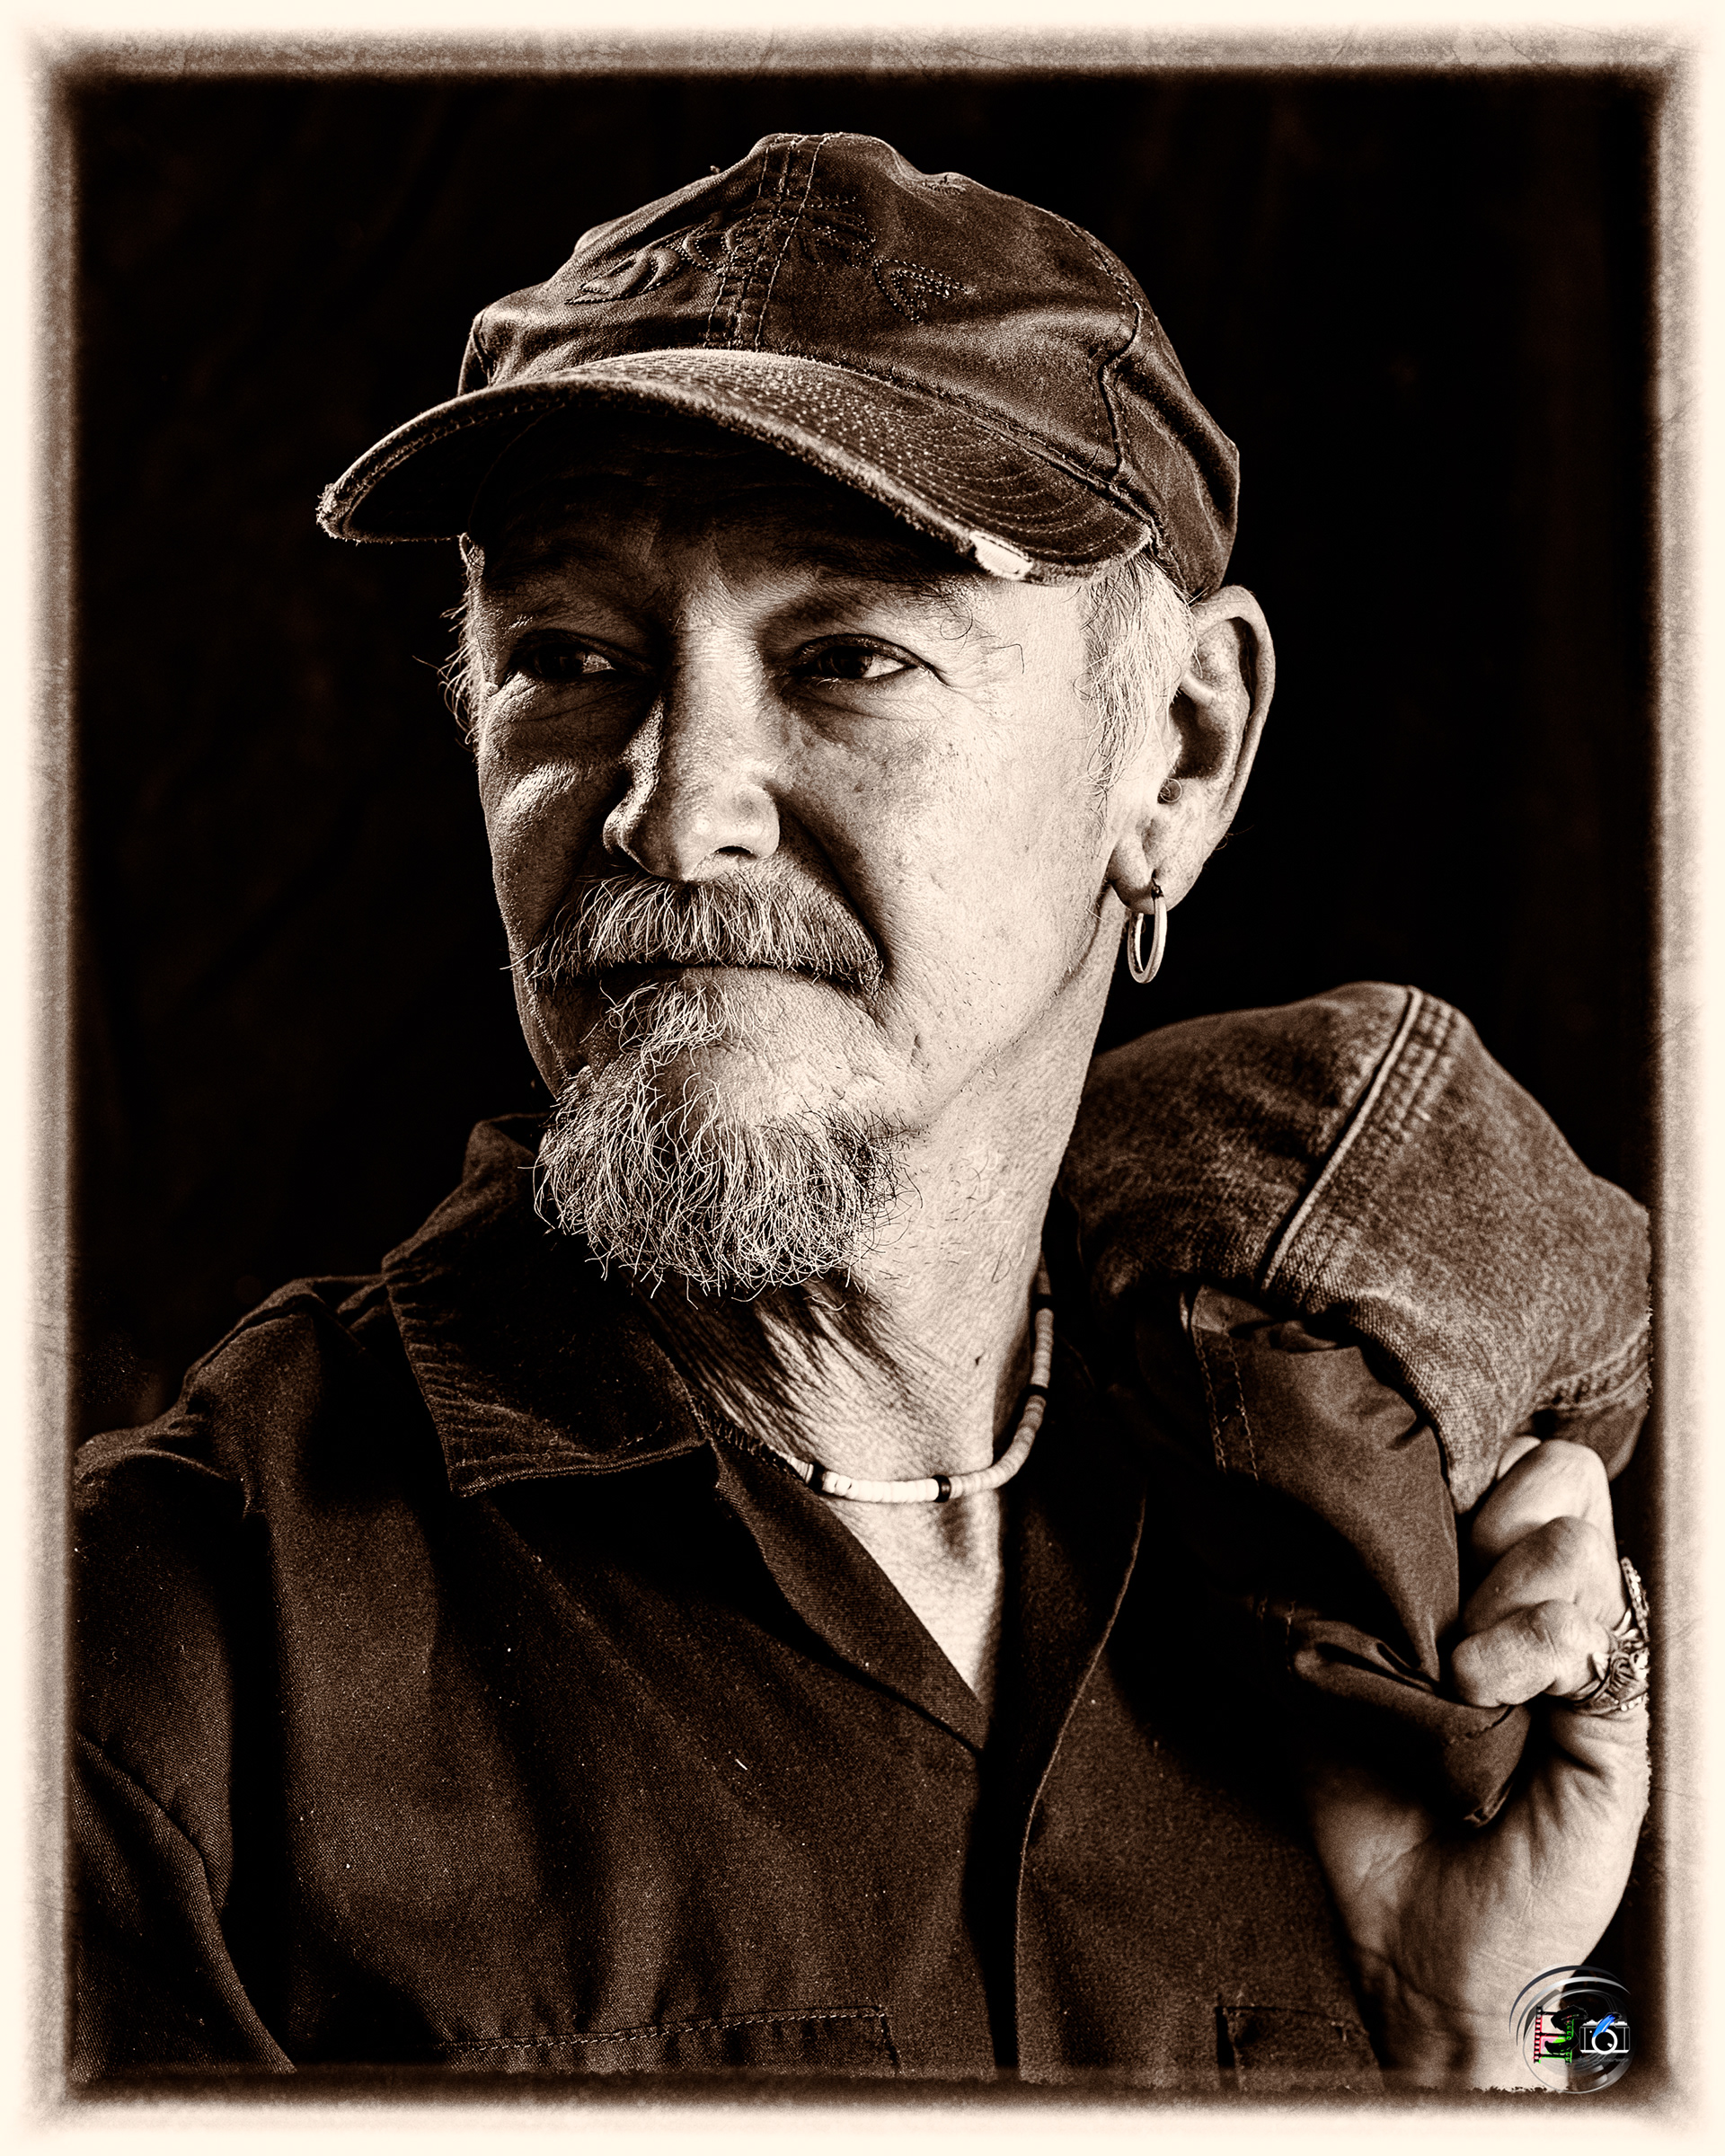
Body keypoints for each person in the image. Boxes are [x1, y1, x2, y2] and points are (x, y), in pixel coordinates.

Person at [72, 131, 1650, 2091]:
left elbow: (1608, 2061)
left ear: (1179, 755)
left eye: (848, 658)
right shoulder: (165, 1670)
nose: (673, 813)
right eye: (567, 660)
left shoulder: (1380, 1583)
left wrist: (1487, 2043)